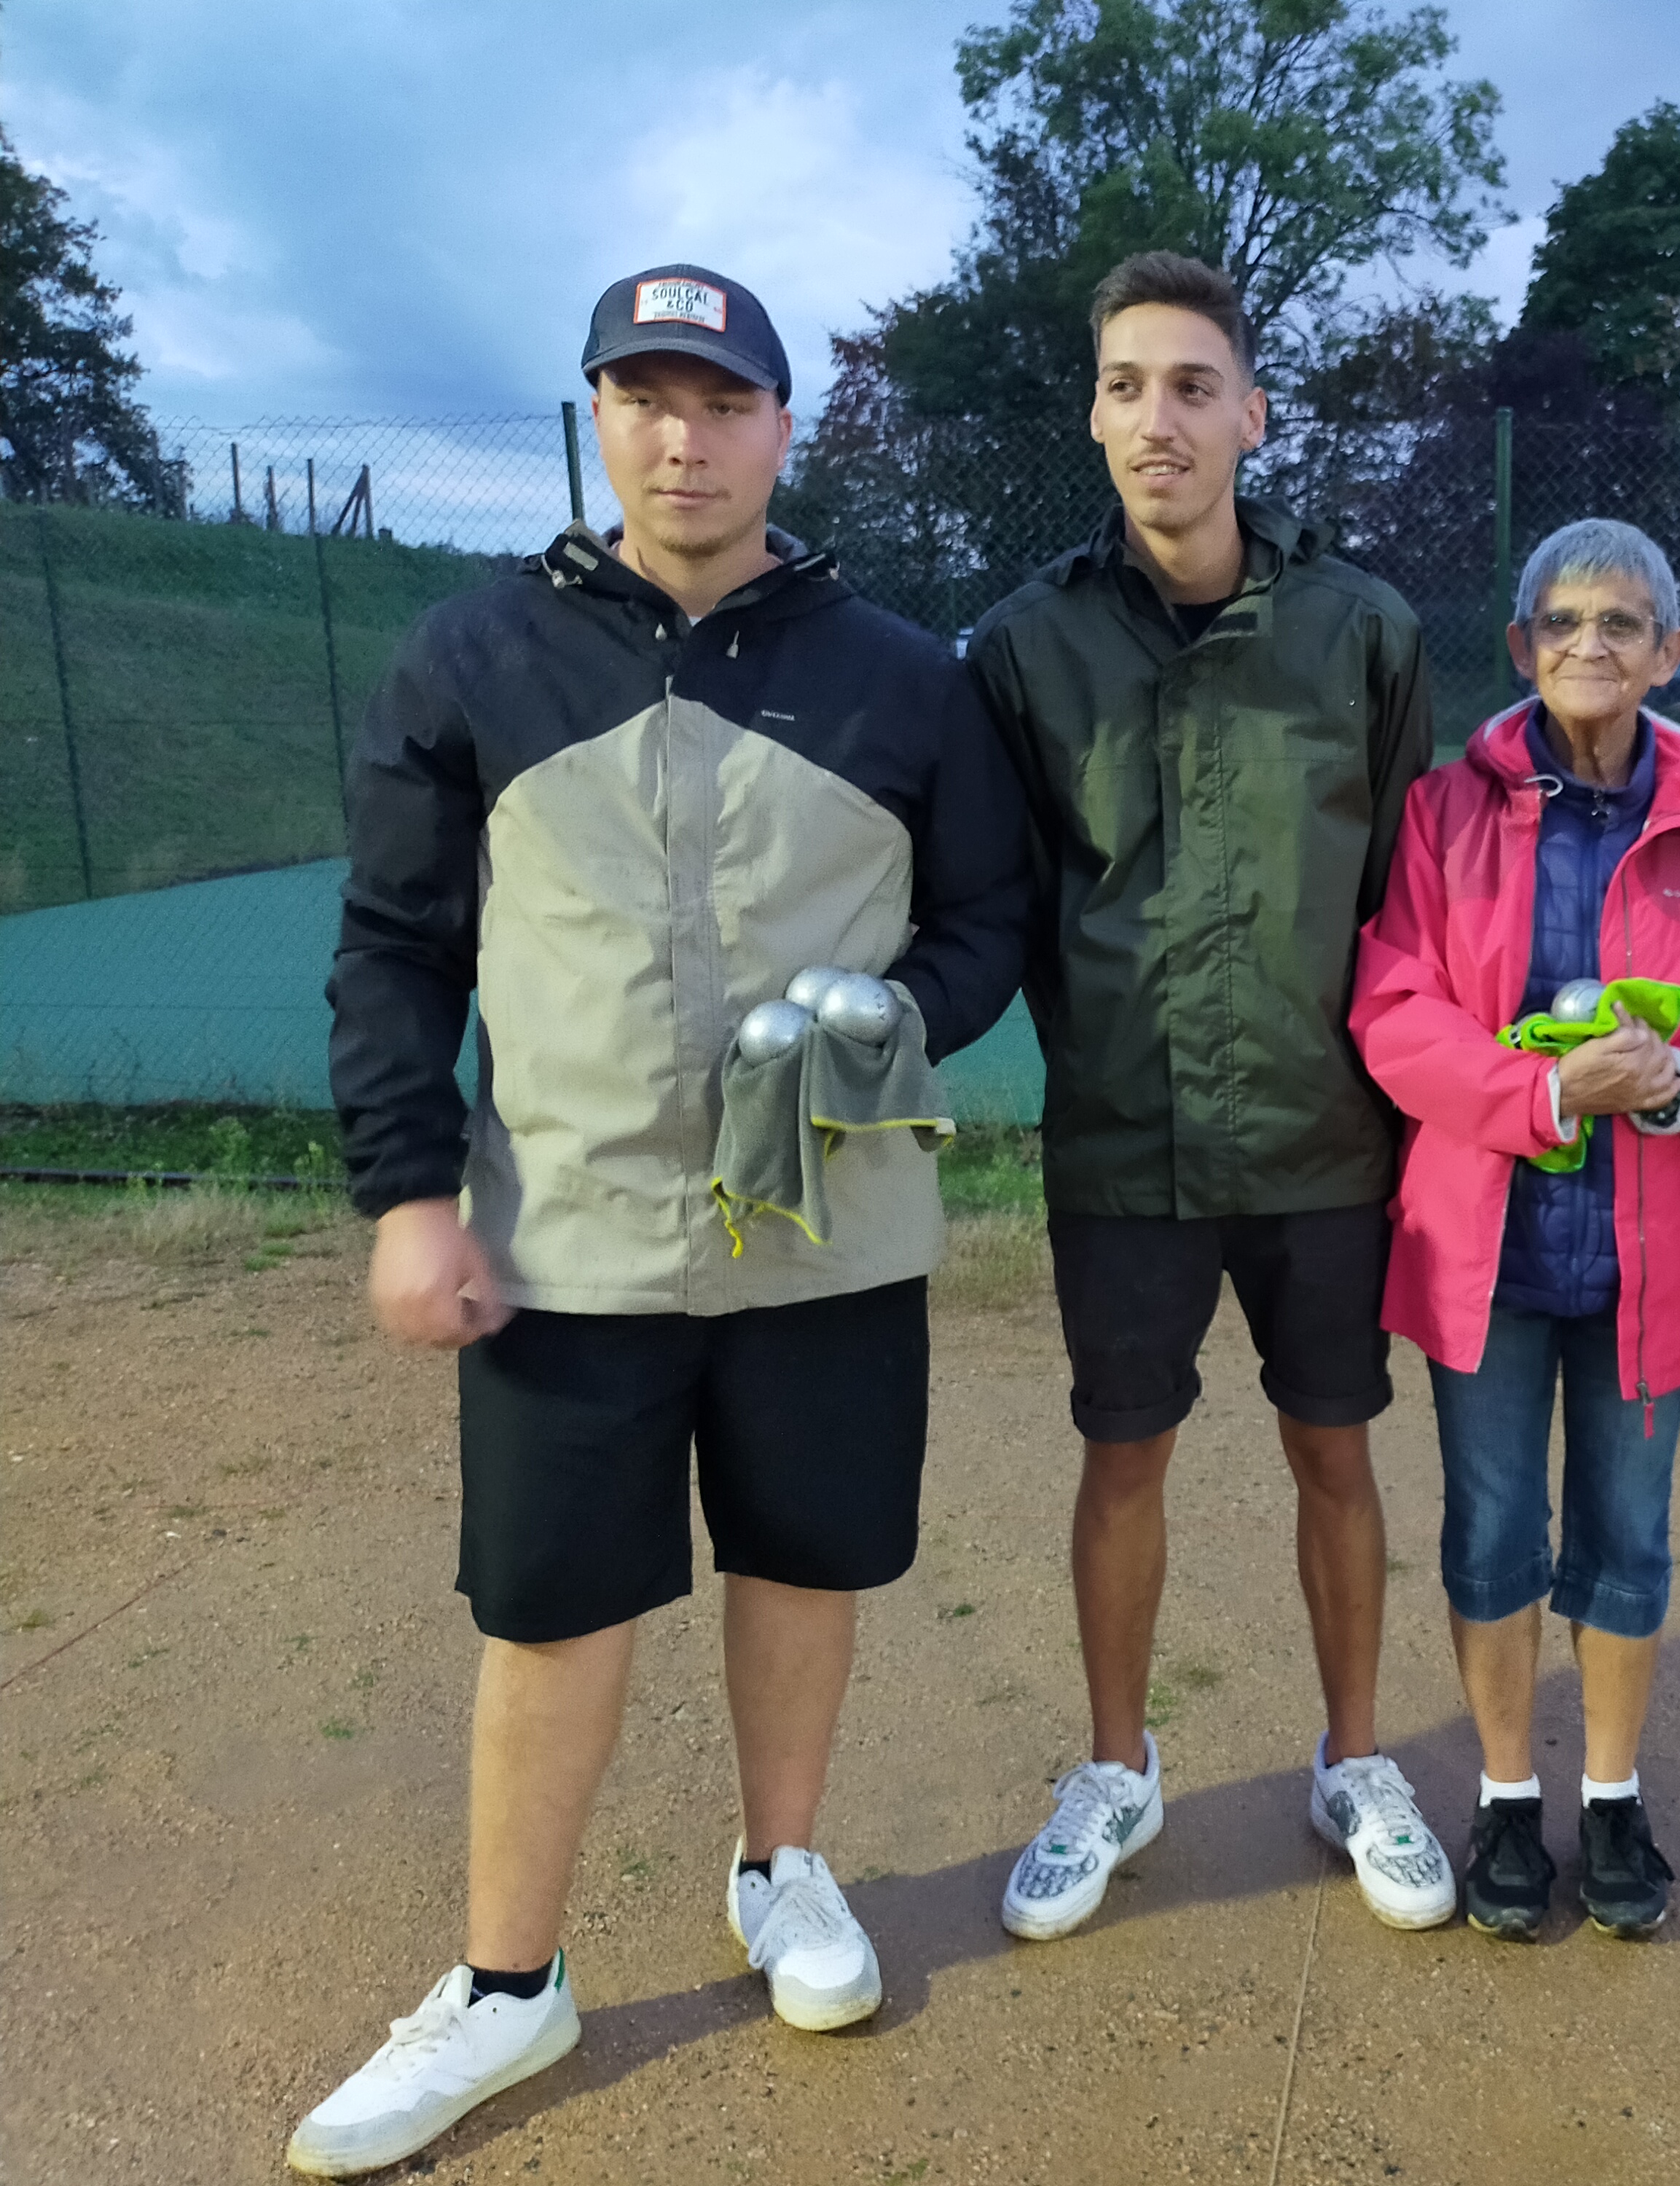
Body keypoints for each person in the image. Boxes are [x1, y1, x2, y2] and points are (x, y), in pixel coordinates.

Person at [286, 265, 1028, 2177]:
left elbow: (981, 927)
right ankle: (510, 1985)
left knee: (805, 1564)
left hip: (827, 1238)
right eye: (645, 398)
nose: (683, 437)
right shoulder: (473, 658)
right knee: (552, 1612)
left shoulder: (904, 673)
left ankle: (783, 1871)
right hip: (567, 1245)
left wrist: (900, 1022)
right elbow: (392, 948)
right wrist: (403, 1195)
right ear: (599, 421)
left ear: (787, 429)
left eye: (723, 401)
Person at [972, 252, 1453, 1939]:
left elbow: (1410, 888)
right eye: (1124, 386)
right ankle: (1116, 1769)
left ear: (1251, 414)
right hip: (1121, 1143)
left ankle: (1352, 1761)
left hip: (1326, 1143)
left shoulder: (1364, 631)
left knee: (1336, 1446)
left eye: (1191, 386)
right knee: (1123, 1456)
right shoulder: (1024, 646)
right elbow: (1006, 897)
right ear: (1093, 414)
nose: (1156, 418)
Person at [1354, 519, 1680, 1941]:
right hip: (1488, 1252)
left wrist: (1677, 1085)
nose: (1588, 647)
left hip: (1653, 1255)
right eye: (1561, 622)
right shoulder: (1443, 812)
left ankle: (1608, 1795)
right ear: (1521, 646)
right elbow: (1393, 1012)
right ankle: (1497, 1794)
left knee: (1628, 1541)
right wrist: (1539, 1089)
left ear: (1672, 650)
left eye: (1621, 623)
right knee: (1490, 1536)